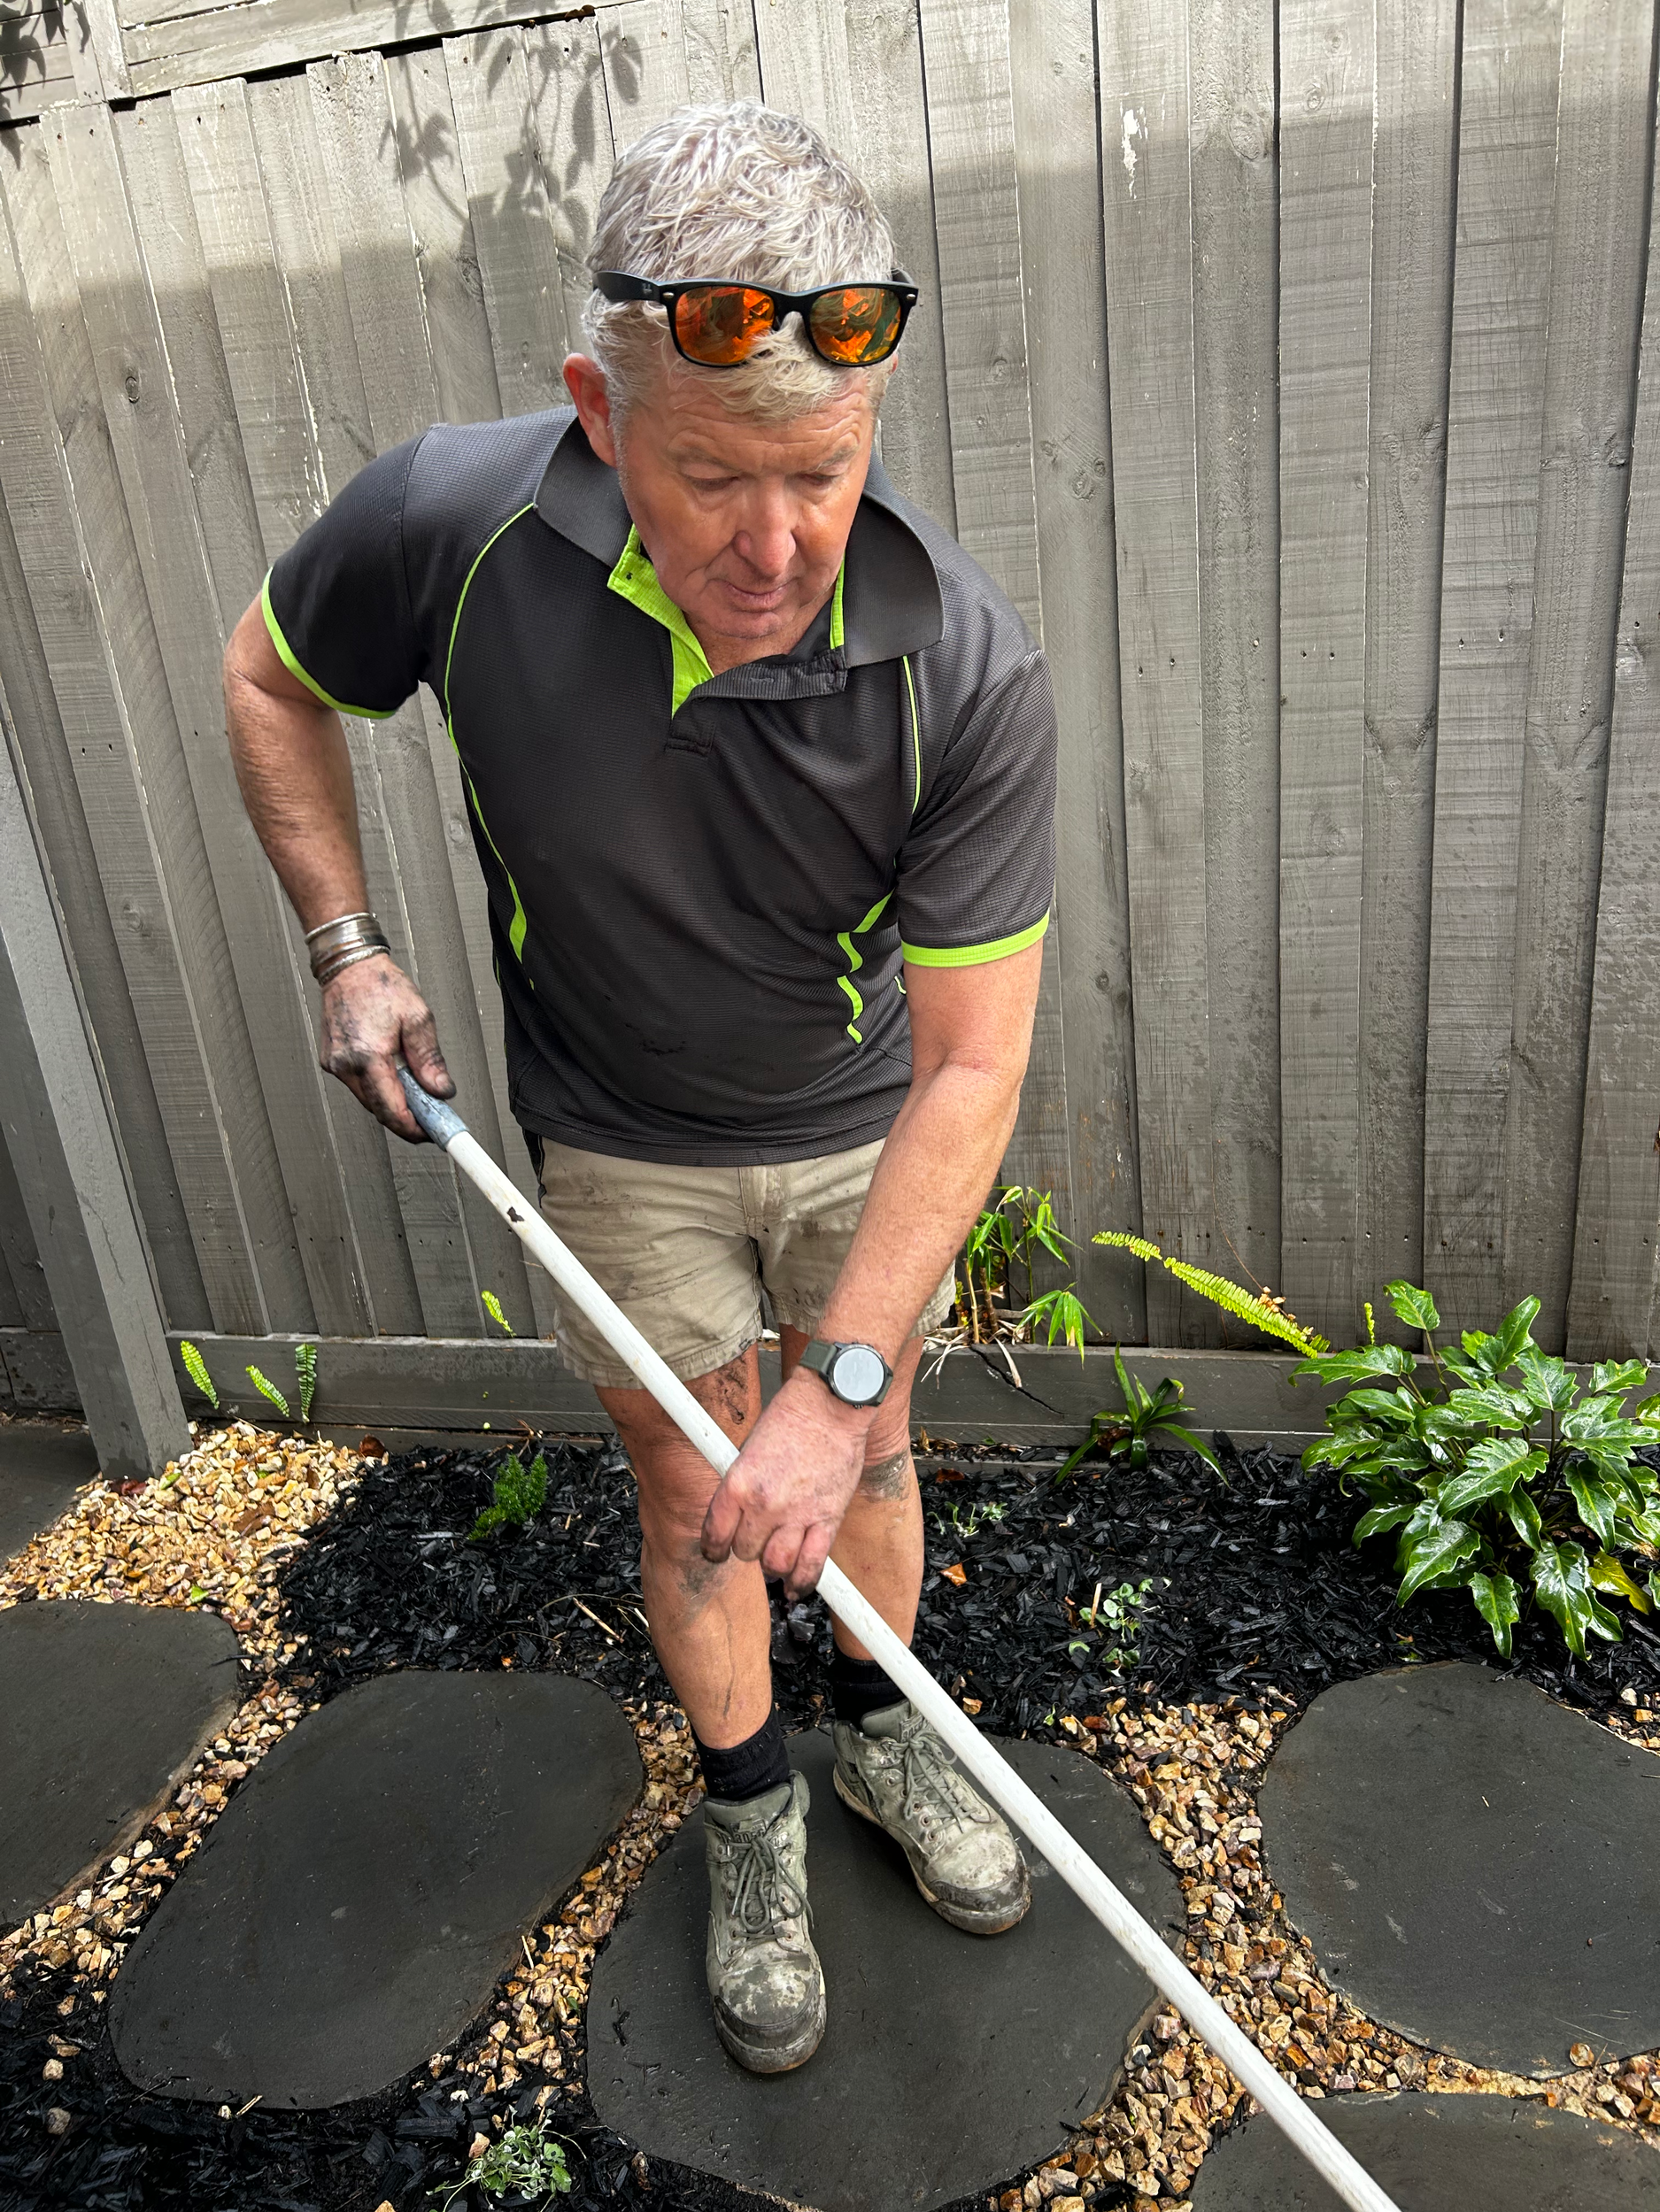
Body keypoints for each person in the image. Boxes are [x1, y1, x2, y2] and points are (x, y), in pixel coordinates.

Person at [223, 101, 1056, 2075]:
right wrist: (345, 943)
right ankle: (753, 1814)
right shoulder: (454, 525)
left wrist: (841, 1387)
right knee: (697, 1499)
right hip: (615, 1142)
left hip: (872, 1129)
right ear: (598, 415)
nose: (775, 544)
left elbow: (974, 1066)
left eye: (823, 474)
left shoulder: (962, 665)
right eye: (711, 479)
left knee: (866, 1457)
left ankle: (887, 1745)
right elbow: (272, 679)